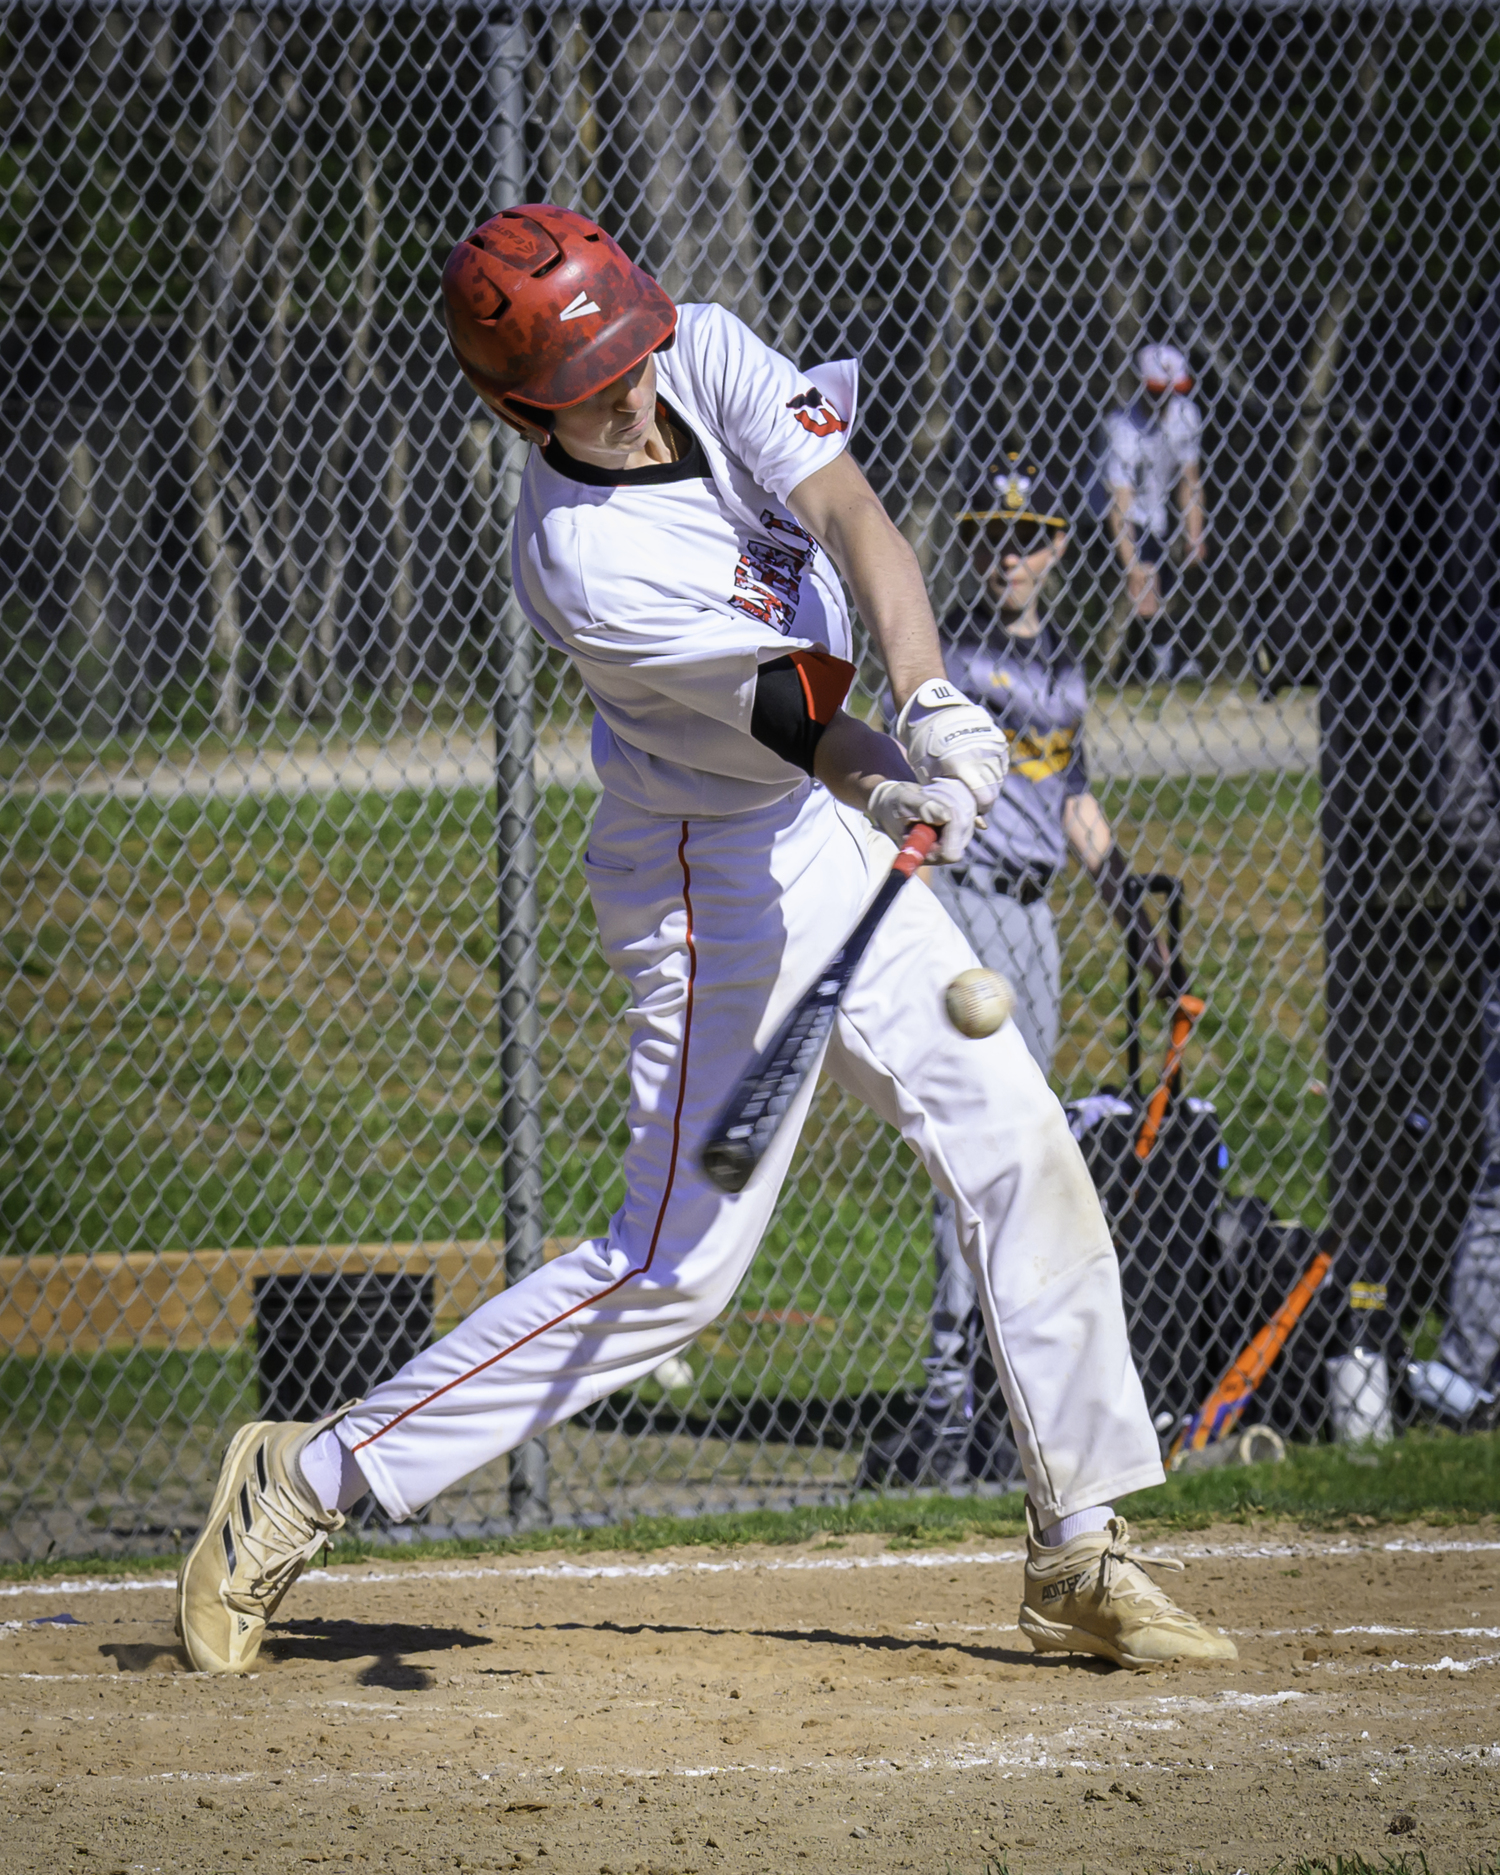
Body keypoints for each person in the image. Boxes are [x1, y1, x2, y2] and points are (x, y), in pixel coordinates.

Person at [174, 204, 1234, 1678]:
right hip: (707, 876)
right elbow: (802, 724)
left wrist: (934, 699)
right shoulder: (584, 559)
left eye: (630, 350)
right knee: (674, 1268)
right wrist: (900, 770)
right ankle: (305, 1476)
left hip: (825, 832)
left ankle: (1082, 1544)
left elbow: (859, 520)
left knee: (1018, 1135)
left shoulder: (700, 349)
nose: (630, 388)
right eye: (589, 381)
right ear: (512, 406)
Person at [861, 454, 1172, 1489]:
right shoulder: (949, 661)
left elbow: (1070, 795)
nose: (1011, 551)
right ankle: (951, 1402)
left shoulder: (1067, 668)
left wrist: (1120, 885)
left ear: (1058, 547)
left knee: (1027, 1153)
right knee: (974, 1153)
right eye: (995, 533)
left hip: (1035, 923)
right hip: (963, 909)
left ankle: (1001, 1398)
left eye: (1031, 533)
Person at [1104, 343, 1209, 683]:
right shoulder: (1122, 428)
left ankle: (1167, 661)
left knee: (1174, 584)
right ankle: (1144, 667)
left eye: (1170, 392)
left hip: (1159, 513)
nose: (1164, 400)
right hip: (1120, 515)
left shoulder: (1187, 416)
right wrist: (1131, 563)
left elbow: (1188, 481)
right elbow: (1118, 504)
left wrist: (1195, 534)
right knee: (1145, 581)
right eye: (1156, 392)